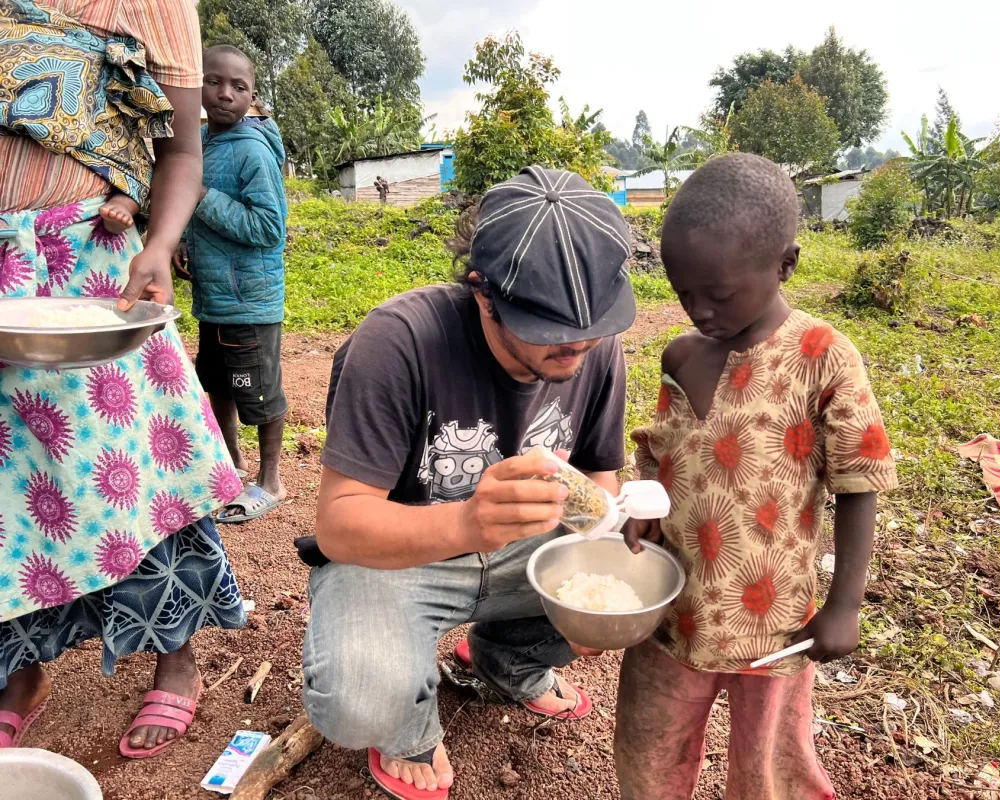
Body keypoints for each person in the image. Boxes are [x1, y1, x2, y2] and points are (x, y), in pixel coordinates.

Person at [303, 166, 634, 799]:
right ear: (484, 294)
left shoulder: (595, 350)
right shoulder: (399, 341)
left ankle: (508, 659)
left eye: (594, 325)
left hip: (523, 552)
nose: (578, 345)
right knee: (360, 700)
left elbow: (598, 476)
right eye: (550, 329)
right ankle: (406, 724)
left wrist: (597, 584)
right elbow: (341, 524)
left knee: (637, 574)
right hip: (398, 560)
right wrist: (464, 523)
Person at [0, 0, 244, 759]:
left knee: (136, 470)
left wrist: (159, 244)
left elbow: (181, 153)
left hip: (93, 267)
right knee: (9, 489)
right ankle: (19, 674)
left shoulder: (152, 5)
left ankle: (176, 657)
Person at [615, 153, 899, 800]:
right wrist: (644, 509)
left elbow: (859, 481)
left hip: (774, 627)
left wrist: (844, 606)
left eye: (717, 295)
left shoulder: (822, 356)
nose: (698, 310)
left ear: (785, 265)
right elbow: (663, 453)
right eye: (682, 291)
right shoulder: (680, 356)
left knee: (767, 769)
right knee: (648, 754)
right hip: (674, 614)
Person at [176, 44, 289, 524]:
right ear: (197, 85)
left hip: (250, 303)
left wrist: (203, 196)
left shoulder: (251, 151)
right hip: (214, 299)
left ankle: (271, 480)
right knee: (217, 383)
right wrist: (183, 242)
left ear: (252, 96)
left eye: (238, 87)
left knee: (259, 394)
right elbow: (188, 206)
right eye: (214, 81)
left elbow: (269, 227)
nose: (225, 93)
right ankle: (232, 464)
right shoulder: (201, 143)